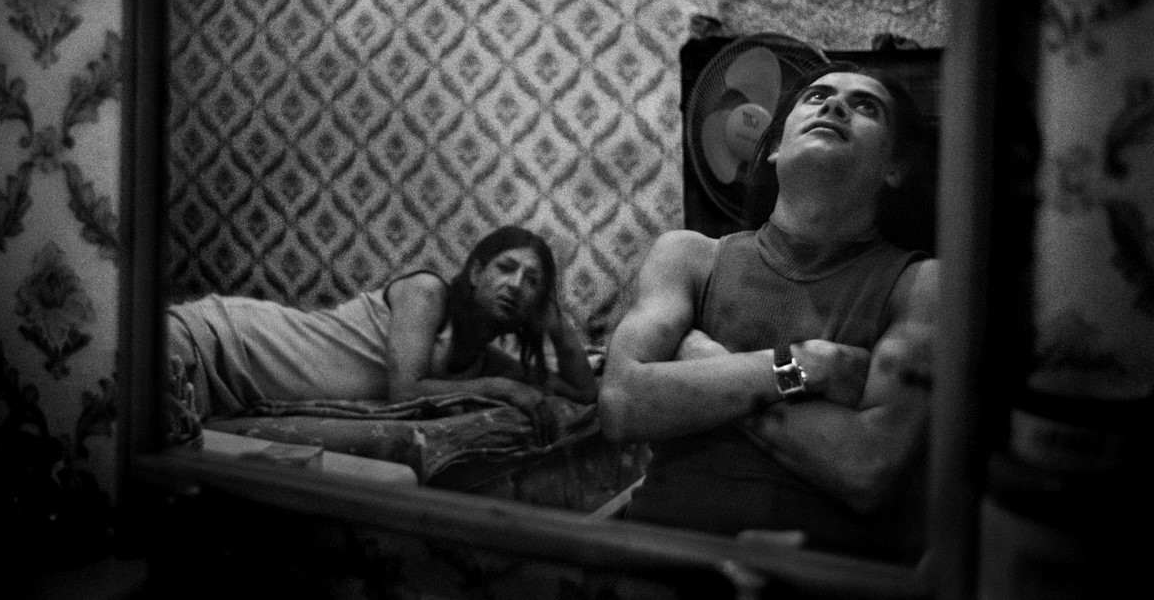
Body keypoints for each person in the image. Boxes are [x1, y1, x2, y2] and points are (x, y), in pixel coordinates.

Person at [598, 62, 938, 562]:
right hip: (657, 562)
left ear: (895, 168)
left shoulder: (921, 284)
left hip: (815, 579)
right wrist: (809, 364)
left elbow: (867, 467)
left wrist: (705, 362)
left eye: (866, 107)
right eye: (816, 96)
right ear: (775, 146)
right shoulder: (688, 257)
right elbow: (622, 402)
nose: (834, 105)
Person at [167, 225, 598, 424]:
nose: (516, 284)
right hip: (219, 338)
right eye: (505, 268)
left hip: (232, 389)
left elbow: (583, 393)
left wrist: (558, 328)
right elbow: (404, 392)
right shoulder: (427, 293)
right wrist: (502, 388)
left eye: (532, 281)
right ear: (474, 272)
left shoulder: (481, 362)